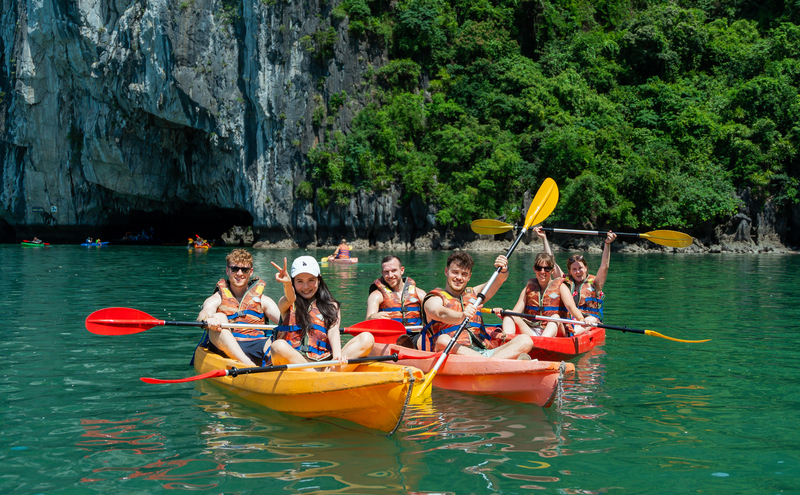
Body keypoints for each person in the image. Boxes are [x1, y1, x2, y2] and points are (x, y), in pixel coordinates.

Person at [419, 252, 533, 359]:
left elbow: (499, 279)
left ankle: (488, 363)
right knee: (443, 340)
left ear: (469, 277)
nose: (459, 277)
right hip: (454, 353)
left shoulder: (474, 295)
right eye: (455, 272)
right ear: (446, 271)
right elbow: (439, 313)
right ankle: (495, 363)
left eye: (464, 274)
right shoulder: (434, 298)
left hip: (483, 352)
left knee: (525, 340)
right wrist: (461, 316)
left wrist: (503, 269)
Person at [269, 255, 374, 371]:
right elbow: (290, 297)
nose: (305, 286)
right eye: (299, 281)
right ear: (293, 282)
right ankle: (319, 379)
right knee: (277, 346)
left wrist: (337, 356)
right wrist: (287, 284)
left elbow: (333, 332)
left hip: (324, 366)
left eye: (311, 280)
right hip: (294, 367)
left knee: (367, 338)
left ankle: (327, 376)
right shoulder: (286, 304)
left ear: (319, 280)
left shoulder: (332, 306)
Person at [197, 249, 281, 367]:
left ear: (250, 272)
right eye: (235, 269)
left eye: (245, 270)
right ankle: (248, 364)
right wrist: (207, 319)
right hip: (226, 346)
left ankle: (273, 367)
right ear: (227, 270)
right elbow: (205, 312)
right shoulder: (218, 298)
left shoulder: (263, 300)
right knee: (218, 316)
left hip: (257, 344)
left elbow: (286, 322)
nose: (240, 273)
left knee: (278, 340)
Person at [559, 231, 617, 334]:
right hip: (571, 318)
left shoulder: (595, 283)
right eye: (574, 269)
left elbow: (604, 266)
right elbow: (552, 266)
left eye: (580, 268)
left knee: (590, 320)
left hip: (590, 319)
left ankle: (572, 333)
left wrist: (607, 244)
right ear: (570, 272)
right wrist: (544, 238)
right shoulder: (567, 283)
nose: (578, 272)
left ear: (585, 268)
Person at [365, 255, 426, 326]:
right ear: (382, 273)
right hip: (389, 335)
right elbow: (367, 321)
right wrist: (372, 317)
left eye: (394, 271)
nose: (390, 275)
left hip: (416, 335)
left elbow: (430, 319)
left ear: (402, 270)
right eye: (386, 272)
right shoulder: (376, 296)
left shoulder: (420, 294)